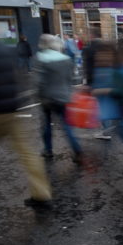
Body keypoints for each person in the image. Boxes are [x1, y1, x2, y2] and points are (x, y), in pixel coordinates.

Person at [0, 42, 52, 207]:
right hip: (12, 108)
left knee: (27, 153)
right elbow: (17, 76)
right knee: (28, 154)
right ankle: (41, 193)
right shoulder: (4, 49)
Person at [90, 41, 123, 175]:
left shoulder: (119, 71)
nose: (101, 59)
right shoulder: (119, 69)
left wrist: (102, 91)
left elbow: (120, 91)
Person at [35, 34, 83, 163]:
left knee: (46, 125)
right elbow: (70, 78)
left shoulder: (41, 58)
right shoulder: (66, 59)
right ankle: (77, 150)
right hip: (63, 97)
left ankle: (48, 150)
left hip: (47, 98)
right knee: (66, 125)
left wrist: (39, 96)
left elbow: (39, 82)